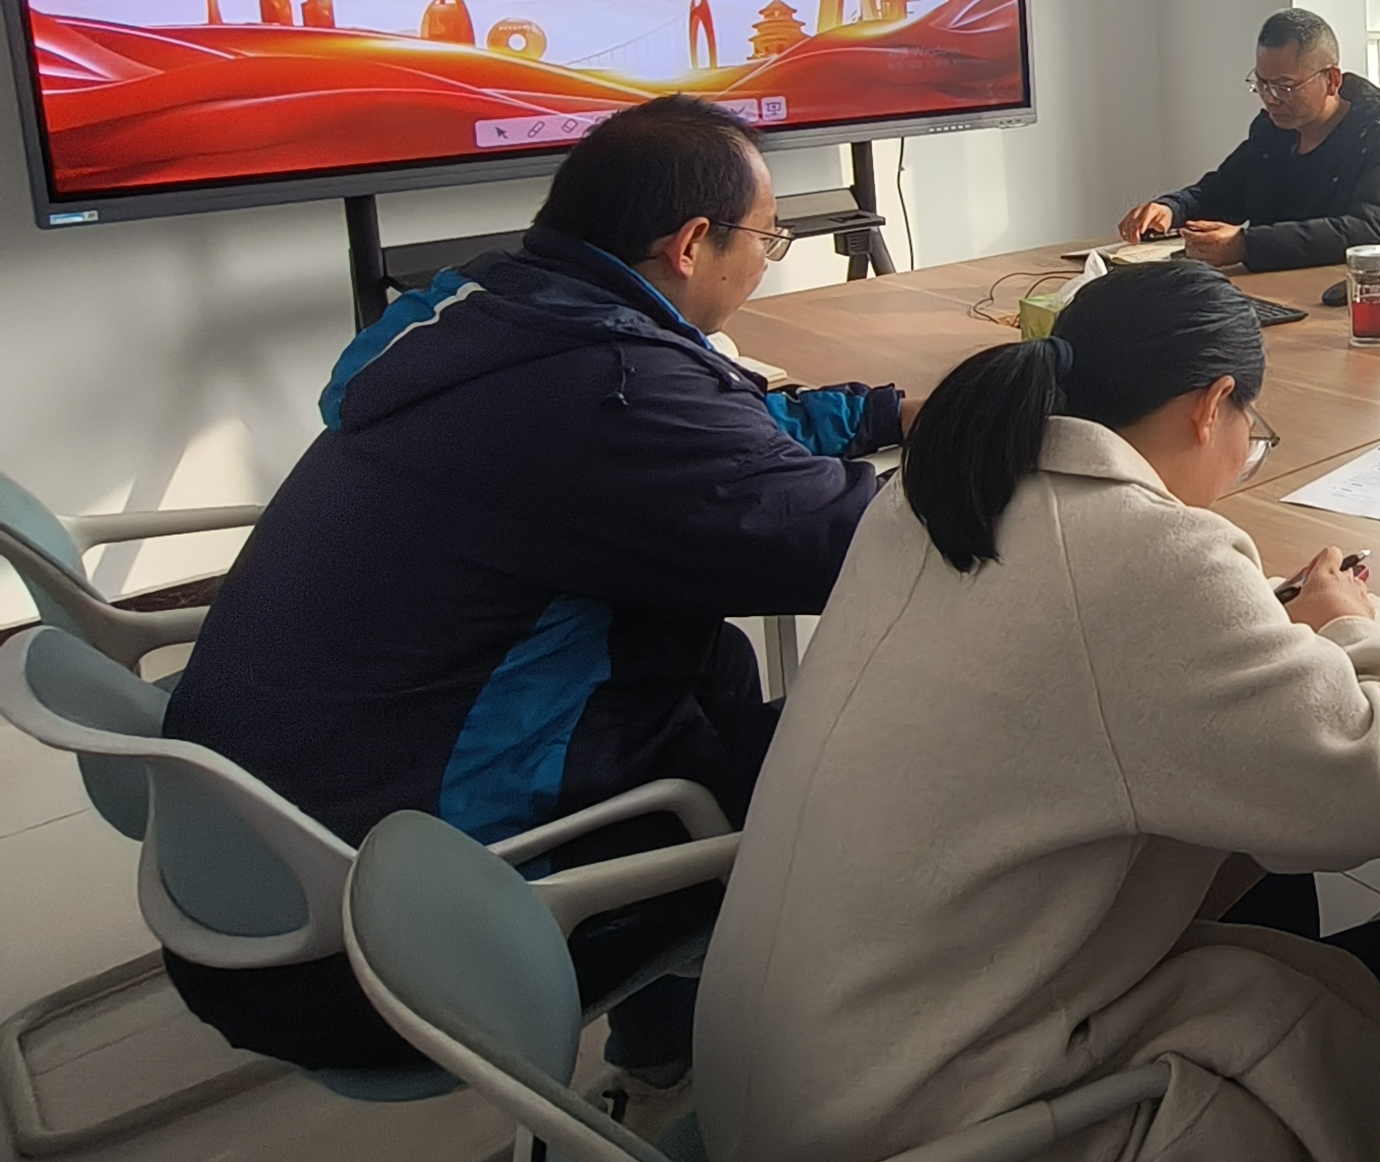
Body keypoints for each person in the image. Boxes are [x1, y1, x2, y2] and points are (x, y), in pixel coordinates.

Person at [696, 263, 1380, 1162]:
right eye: (1252, 432)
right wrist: (1350, 626)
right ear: (1212, 403)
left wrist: (1249, 643)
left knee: (1259, 856)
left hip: (780, 1110)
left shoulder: (934, 492)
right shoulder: (1149, 556)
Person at [159, 96, 904, 1073]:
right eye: (771, 237)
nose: (772, 257)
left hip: (250, 884)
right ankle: (811, 1076)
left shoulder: (488, 318)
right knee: (882, 752)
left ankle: (669, 1046)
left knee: (707, 659)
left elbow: (717, 430)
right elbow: (856, 548)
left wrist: (887, 411)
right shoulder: (608, 387)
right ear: (691, 244)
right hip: (388, 956)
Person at [1118, 8, 1380, 272]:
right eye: (1262, 84)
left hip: (1356, 294)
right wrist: (1172, 208)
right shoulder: (1272, 132)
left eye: (1285, 86)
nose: (1271, 99)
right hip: (1278, 286)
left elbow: (1370, 232)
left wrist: (1246, 245)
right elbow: (1222, 192)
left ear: (1331, 80)